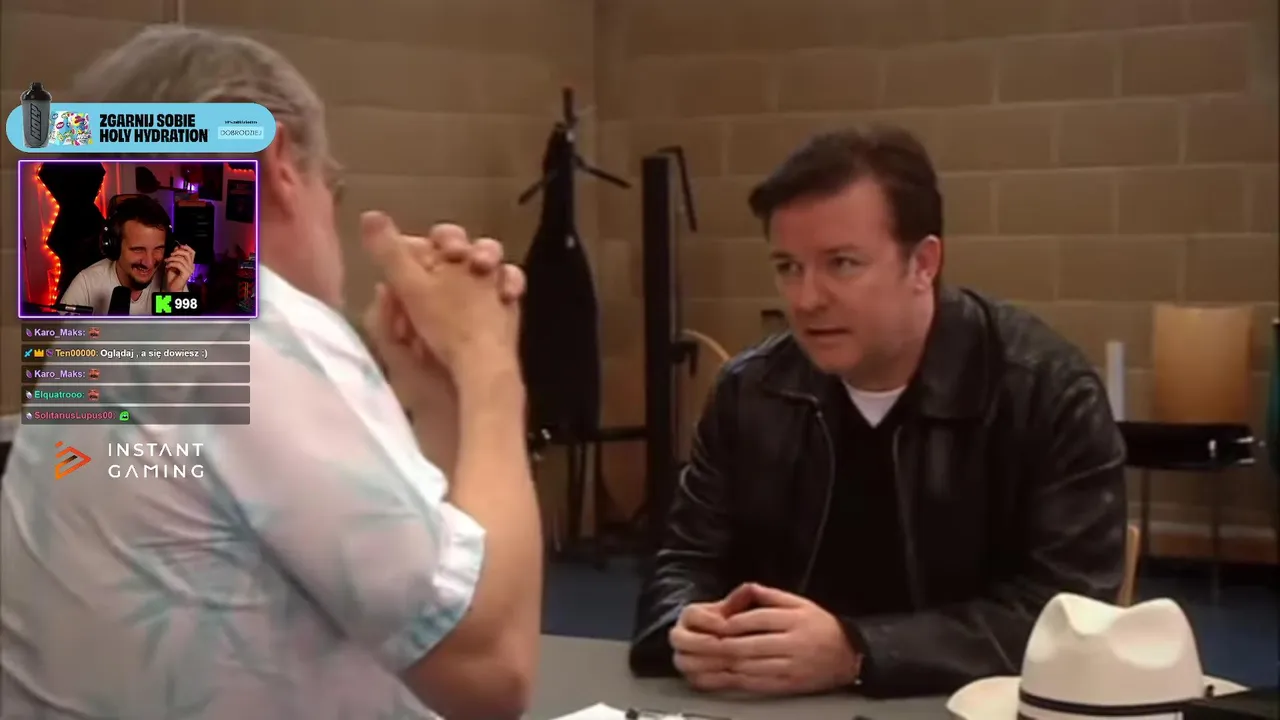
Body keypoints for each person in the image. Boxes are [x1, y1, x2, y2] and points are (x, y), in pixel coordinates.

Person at [1, 25, 542, 720]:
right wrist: (490, 365)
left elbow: (416, 603)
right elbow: (489, 673)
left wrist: (438, 396)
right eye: (333, 186)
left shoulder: (98, 334)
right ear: (279, 162)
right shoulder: (245, 324)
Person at [629, 126, 1128, 699]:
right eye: (788, 267)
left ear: (924, 264)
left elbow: (1071, 621)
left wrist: (859, 651)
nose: (806, 299)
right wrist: (686, 627)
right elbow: (681, 566)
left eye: (842, 263)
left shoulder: (1046, 394)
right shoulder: (750, 392)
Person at [59, 195, 195, 315]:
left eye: (158, 249)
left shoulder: (170, 278)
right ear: (114, 247)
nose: (148, 263)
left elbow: (178, 335)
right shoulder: (86, 284)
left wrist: (174, 294)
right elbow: (60, 335)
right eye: (138, 249)